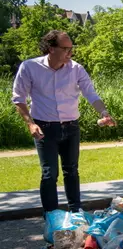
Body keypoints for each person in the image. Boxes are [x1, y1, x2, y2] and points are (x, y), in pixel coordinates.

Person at [11, 30, 116, 214]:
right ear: (51, 49)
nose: (70, 53)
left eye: (71, 48)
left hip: (71, 127)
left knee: (72, 171)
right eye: (66, 49)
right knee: (50, 174)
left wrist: (104, 112)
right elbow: (19, 98)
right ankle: (52, 217)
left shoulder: (76, 69)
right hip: (44, 127)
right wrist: (30, 123)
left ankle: (76, 214)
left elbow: (90, 93)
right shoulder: (30, 67)